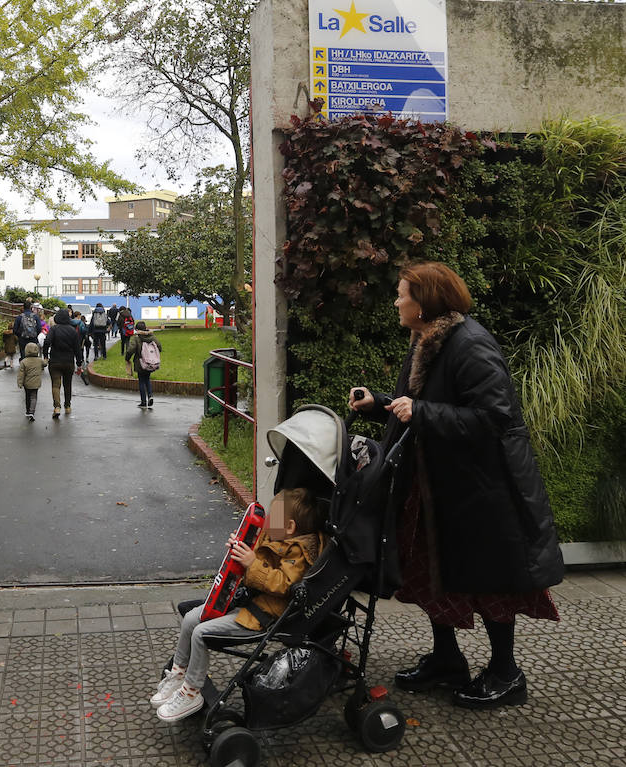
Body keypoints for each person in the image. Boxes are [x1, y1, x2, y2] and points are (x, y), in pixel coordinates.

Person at [348, 261, 563, 710]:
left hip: (484, 492)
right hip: (438, 486)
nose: (396, 300)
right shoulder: (427, 340)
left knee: (490, 582)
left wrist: (421, 412)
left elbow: (495, 418)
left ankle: (507, 673)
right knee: (432, 573)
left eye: (402, 293)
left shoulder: (471, 345)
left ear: (423, 303)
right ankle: (448, 660)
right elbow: (421, 404)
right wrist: (382, 403)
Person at [153, 488, 328, 723]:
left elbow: (283, 584)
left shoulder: (298, 552)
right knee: (191, 618)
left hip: (263, 615)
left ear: (290, 528)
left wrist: (252, 563)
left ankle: (192, 692)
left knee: (201, 633)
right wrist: (240, 549)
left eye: (273, 516)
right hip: (246, 600)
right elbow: (253, 562)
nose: (267, 521)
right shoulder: (274, 536)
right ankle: (178, 674)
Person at [43, 308, 84, 420]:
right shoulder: (72, 331)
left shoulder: (54, 329)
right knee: (67, 384)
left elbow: (47, 341)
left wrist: (45, 355)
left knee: (56, 385)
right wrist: (79, 363)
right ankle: (67, 406)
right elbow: (77, 349)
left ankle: (57, 407)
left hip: (55, 361)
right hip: (68, 362)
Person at [124, 321, 161, 408]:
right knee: (147, 379)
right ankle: (150, 395)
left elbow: (130, 350)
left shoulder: (137, 338)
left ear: (137, 329)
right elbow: (159, 346)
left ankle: (143, 401)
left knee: (141, 381)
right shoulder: (152, 337)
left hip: (140, 362)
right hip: (151, 362)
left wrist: (127, 358)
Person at [16, 341, 46, 420]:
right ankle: (32, 412)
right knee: (34, 397)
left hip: (27, 383)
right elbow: (45, 364)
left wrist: (20, 383)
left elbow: (21, 374)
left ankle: (27, 411)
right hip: (36, 383)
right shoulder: (39, 360)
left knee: (27, 397)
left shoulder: (24, 362)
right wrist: (46, 360)